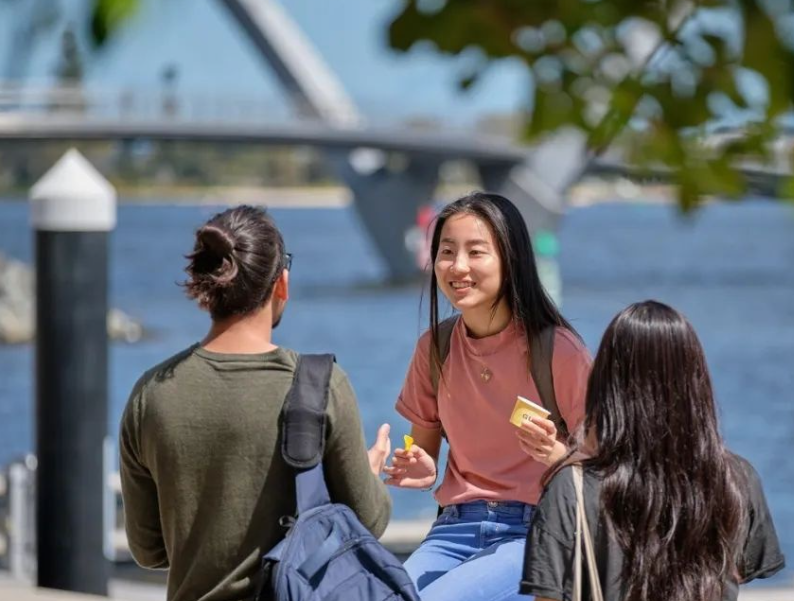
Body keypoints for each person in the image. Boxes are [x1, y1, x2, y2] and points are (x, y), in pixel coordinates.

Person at [119, 205, 393, 601]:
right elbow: (370, 521)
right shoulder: (322, 385)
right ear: (281, 283)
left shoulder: (150, 394)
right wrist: (369, 476)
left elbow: (148, 550)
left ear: (206, 286)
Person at [384, 192, 592, 601]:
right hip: (454, 527)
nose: (457, 267)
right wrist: (421, 467)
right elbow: (421, 450)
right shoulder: (435, 347)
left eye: (475, 252)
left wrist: (556, 454)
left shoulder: (559, 350)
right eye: (446, 251)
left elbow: (608, 464)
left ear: (510, 259)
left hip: (538, 530)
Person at [521, 300, 786, 601]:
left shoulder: (572, 489)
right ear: (695, 382)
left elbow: (548, 595)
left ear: (606, 384)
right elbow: (736, 574)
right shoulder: (737, 478)